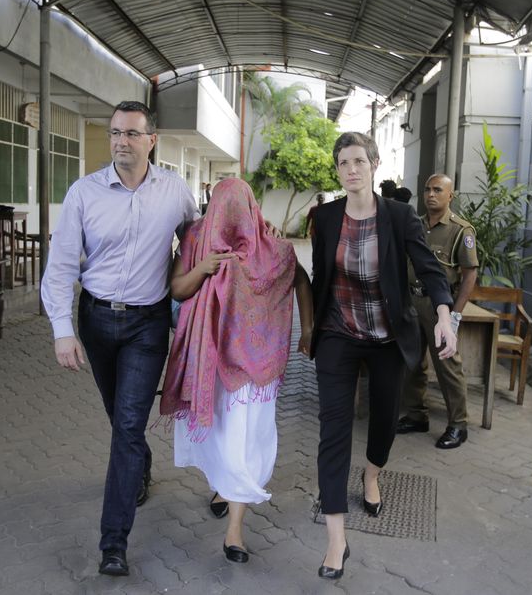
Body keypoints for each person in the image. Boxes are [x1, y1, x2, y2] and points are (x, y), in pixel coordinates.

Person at [40, 101, 199, 578]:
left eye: (131, 134)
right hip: (96, 320)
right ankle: (140, 463)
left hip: (147, 325)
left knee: (128, 425)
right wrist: (62, 331)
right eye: (114, 133)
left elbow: (199, 241)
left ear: (152, 140)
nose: (120, 142)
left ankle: (114, 543)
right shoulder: (84, 193)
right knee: (119, 418)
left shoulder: (175, 192)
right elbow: (61, 266)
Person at [310, 132, 456, 579]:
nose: (350, 169)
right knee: (333, 429)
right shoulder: (326, 216)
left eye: (358, 161)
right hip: (339, 333)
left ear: (373, 165)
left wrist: (446, 316)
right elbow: (320, 278)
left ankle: (372, 474)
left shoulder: (398, 216)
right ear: (337, 170)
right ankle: (337, 540)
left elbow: (429, 269)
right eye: (342, 163)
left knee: (383, 419)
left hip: (388, 336)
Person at [160, 178, 313, 563]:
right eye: (220, 206)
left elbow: (300, 278)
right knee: (218, 439)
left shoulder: (271, 246)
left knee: (245, 443)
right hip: (210, 360)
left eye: (235, 207)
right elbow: (177, 289)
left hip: (254, 371)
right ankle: (222, 488)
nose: (227, 216)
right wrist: (205, 269)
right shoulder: (197, 238)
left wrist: (308, 329)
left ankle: (234, 532)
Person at [397, 173, 479, 449]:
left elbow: (469, 276)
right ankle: (416, 415)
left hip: (439, 308)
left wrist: (454, 315)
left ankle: (458, 425)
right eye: (427, 189)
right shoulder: (415, 225)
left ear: (450, 196)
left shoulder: (460, 231)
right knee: (412, 363)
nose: (431, 195)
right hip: (412, 303)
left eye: (437, 190)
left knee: (447, 366)